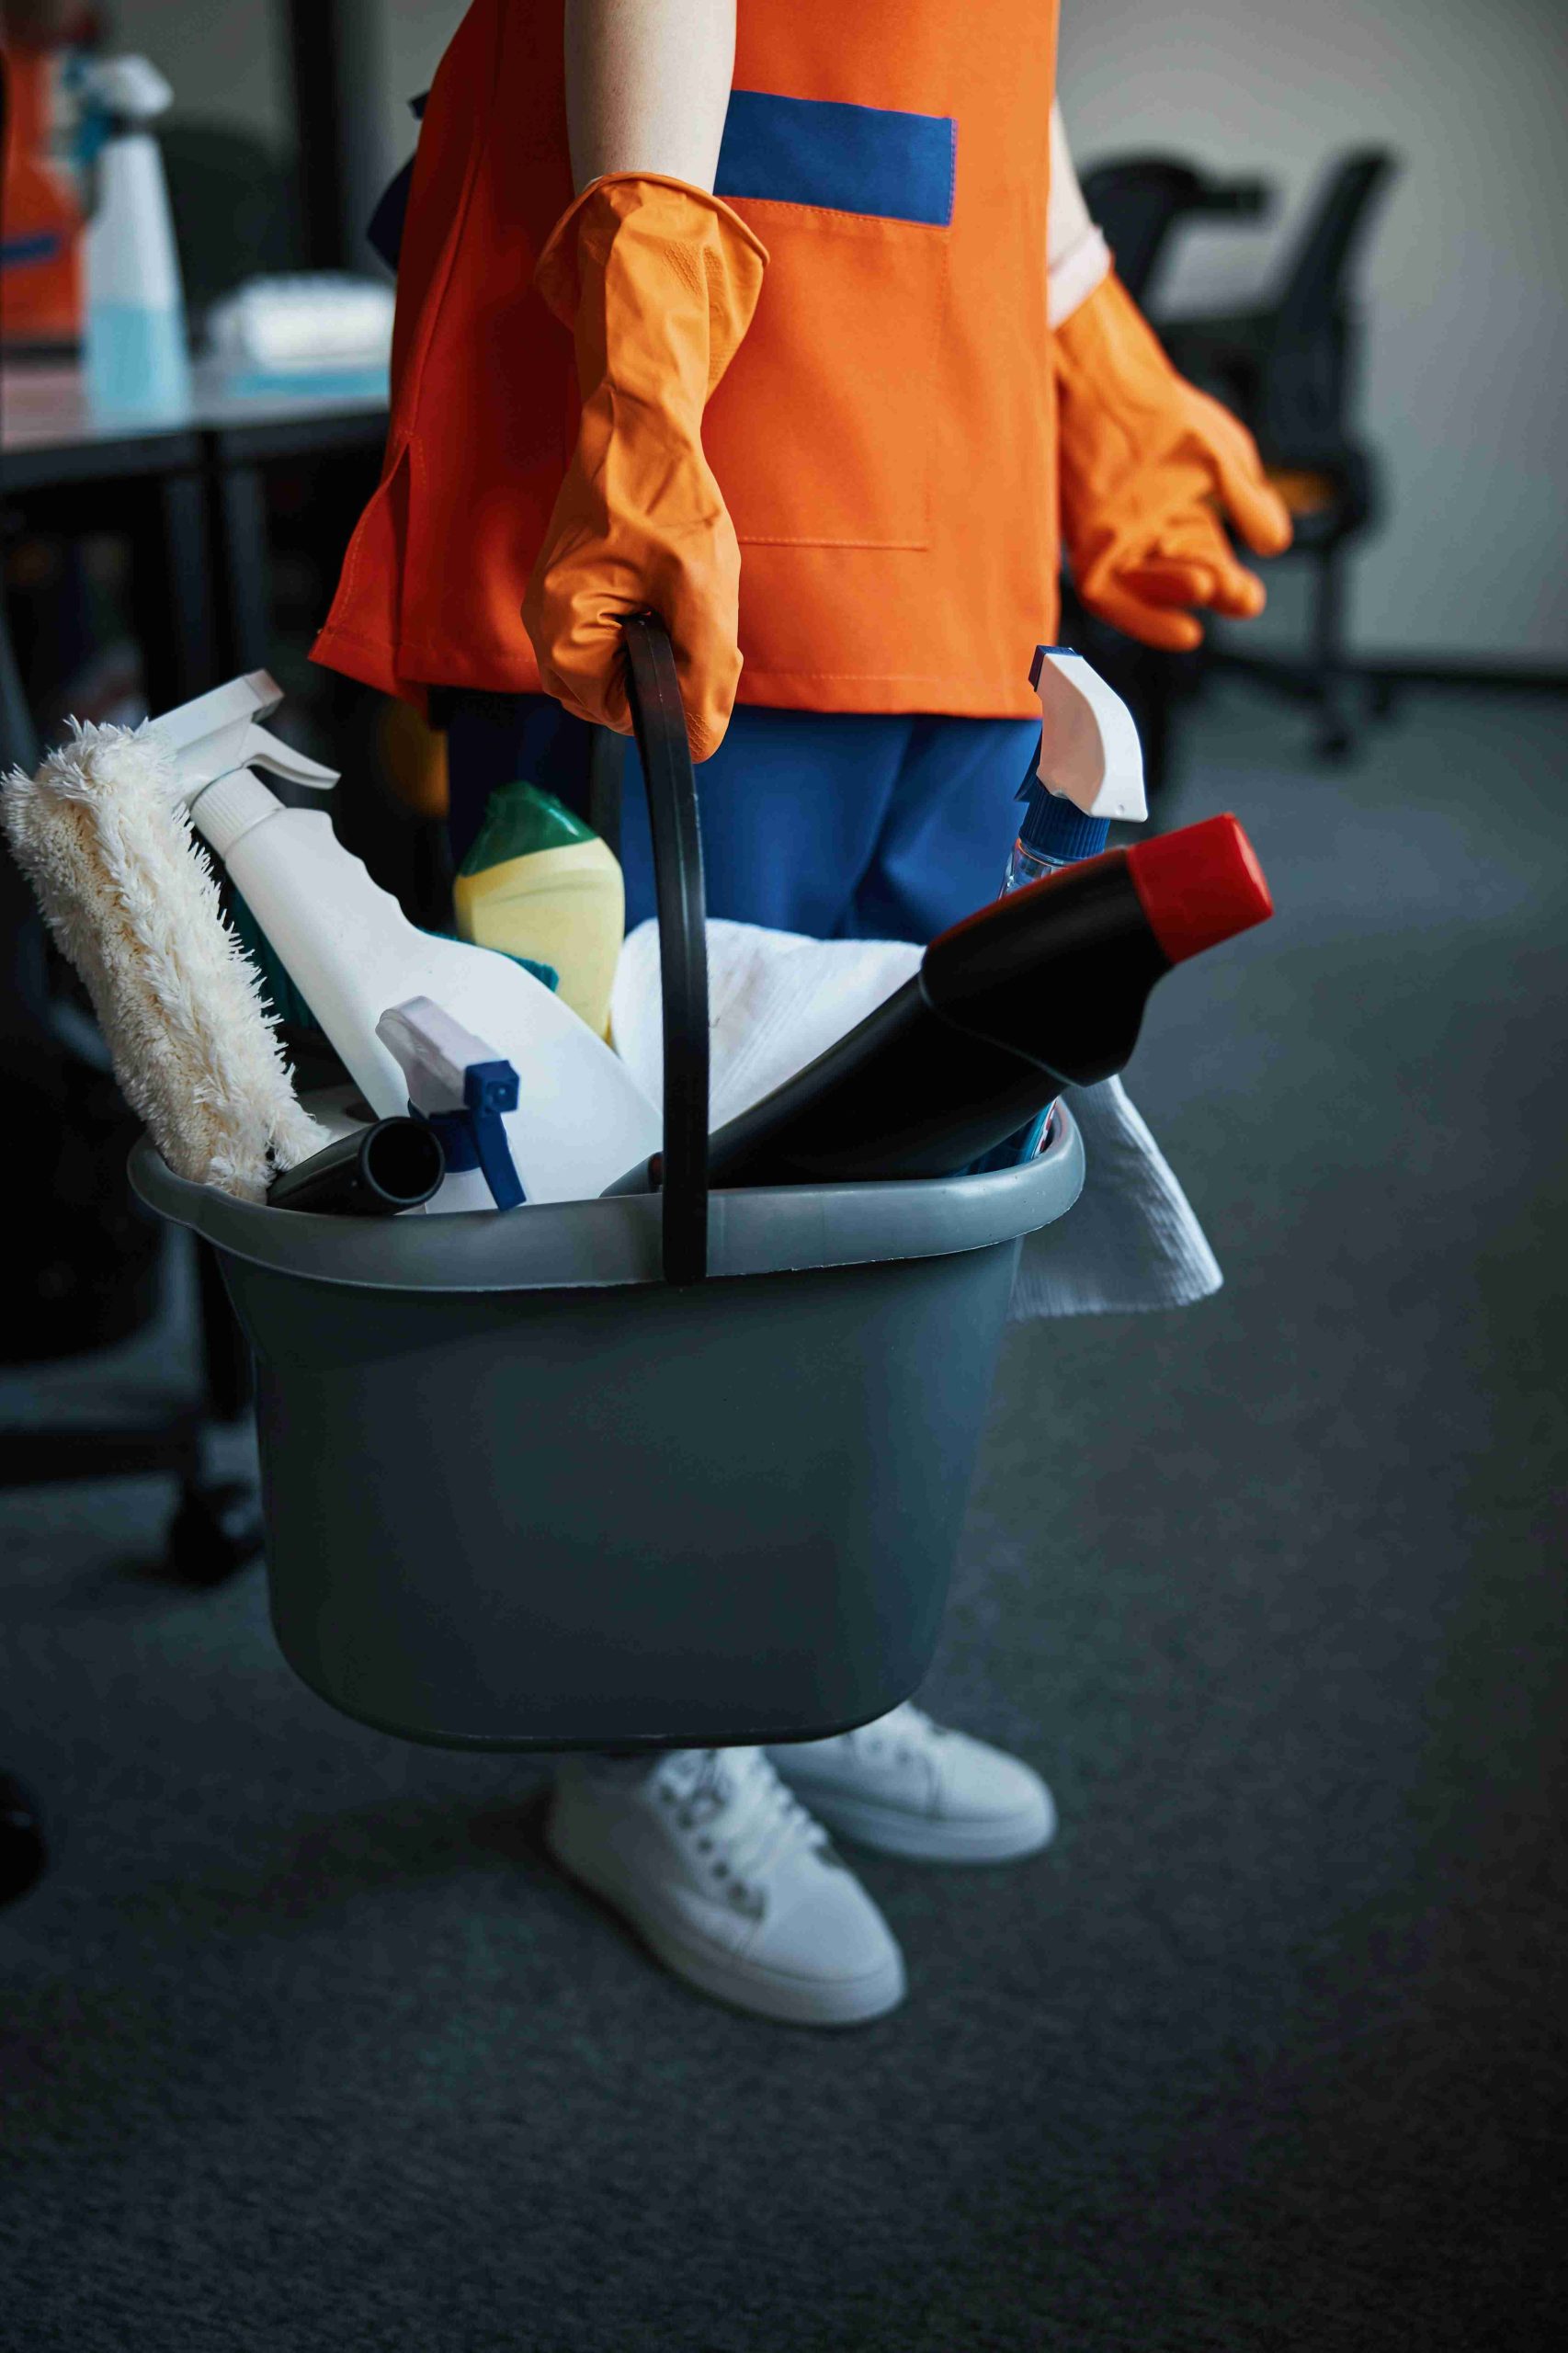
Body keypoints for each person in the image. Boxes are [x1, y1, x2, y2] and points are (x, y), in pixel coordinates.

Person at [313, 0, 1290, 2029]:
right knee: (644, 1140)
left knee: (896, 1132)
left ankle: (785, 1643)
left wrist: (1086, 336)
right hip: (669, 373)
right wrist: (647, 330)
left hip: (930, 425)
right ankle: (634, 1734)